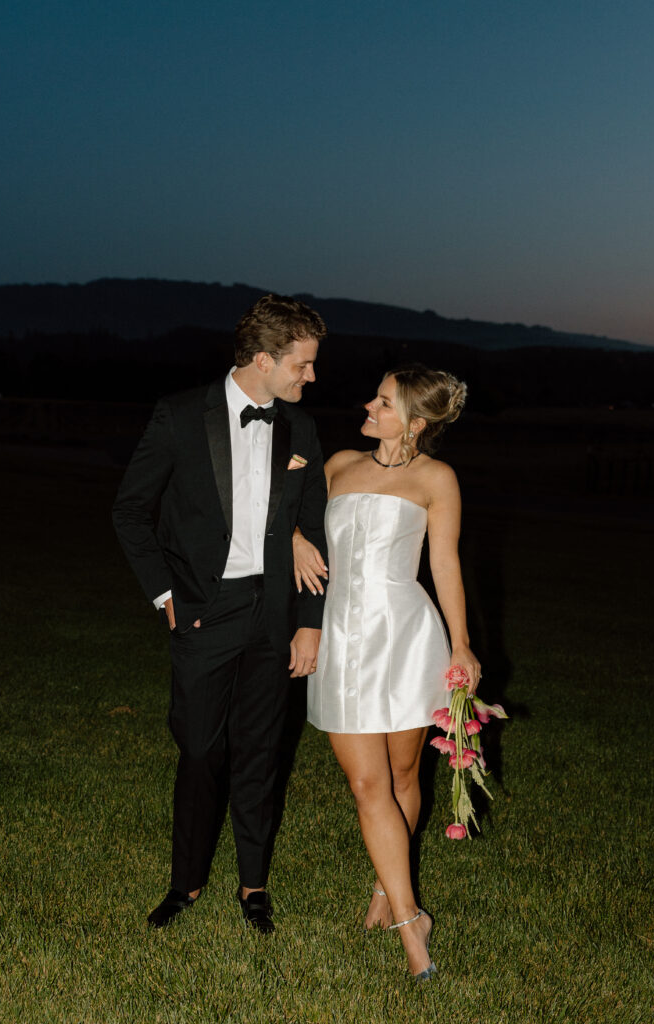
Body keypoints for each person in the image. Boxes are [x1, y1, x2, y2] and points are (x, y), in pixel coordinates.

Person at [113, 294, 328, 933]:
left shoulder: (302, 429)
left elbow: (311, 526)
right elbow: (130, 512)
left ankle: (253, 887)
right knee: (201, 753)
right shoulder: (180, 416)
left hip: (273, 613)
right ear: (264, 359)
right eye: (303, 365)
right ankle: (186, 884)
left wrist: (309, 621)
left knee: (261, 751)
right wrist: (166, 597)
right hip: (205, 613)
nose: (311, 378)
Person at [292, 364, 480, 980]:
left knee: (403, 775)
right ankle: (411, 925)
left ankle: (383, 885)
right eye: (374, 396)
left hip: (405, 638)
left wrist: (462, 647)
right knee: (367, 786)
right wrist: (296, 534)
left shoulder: (436, 478)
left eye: (383, 402)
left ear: (416, 423)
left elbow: (445, 565)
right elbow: (286, 513)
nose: (368, 406)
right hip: (341, 639)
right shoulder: (339, 464)